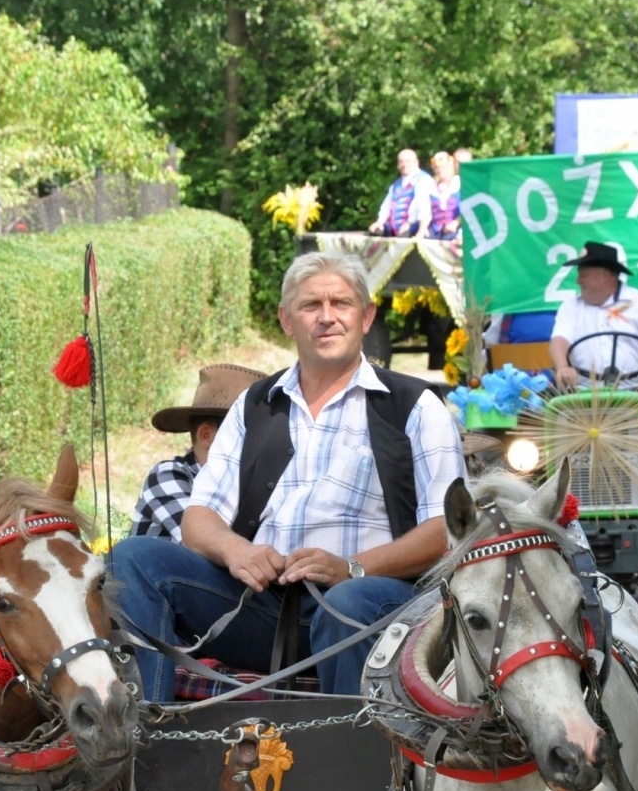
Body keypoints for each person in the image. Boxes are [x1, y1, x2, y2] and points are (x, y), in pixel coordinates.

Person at [109, 251, 466, 699]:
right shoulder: (256, 404)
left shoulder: (414, 406)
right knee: (134, 559)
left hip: (376, 604)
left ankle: (348, 753)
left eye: (341, 304)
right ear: (286, 320)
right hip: (264, 606)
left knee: (344, 603)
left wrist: (351, 569)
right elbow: (199, 517)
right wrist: (235, 549)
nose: (327, 318)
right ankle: (152, 731)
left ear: (367, 316)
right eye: (311, 306)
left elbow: (446, 533)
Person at [130, 363, 267, 541]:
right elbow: (205, 543)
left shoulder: (250, 485)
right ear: (207, 435)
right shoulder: (168, 476)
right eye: (251, 433)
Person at [548, 242, 638, 387]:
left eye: (583, 275)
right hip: (584, 397)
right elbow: (559, 339)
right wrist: (563, 367)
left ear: (605, 275)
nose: (578, 281)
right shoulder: (571, 306)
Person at [367, 149, 435, 237]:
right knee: (374, 231)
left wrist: (409, 223)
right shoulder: (396, 185)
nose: (404, 164)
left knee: (404, 238)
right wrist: (380, 222)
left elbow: (424, 207)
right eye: (401, 162)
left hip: (414, 225)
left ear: (416, 162)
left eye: (408, 161)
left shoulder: (424, 180)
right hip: (395, 227)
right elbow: (386, 206)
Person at [425, 150, 460, 240]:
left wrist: (456, 222)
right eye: (436, 168)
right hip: (435, 230)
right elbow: (425, 210)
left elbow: (468, 207)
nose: (440, 170)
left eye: (443, 167)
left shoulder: (460, 183)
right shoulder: (430, 186)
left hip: (456, 229)